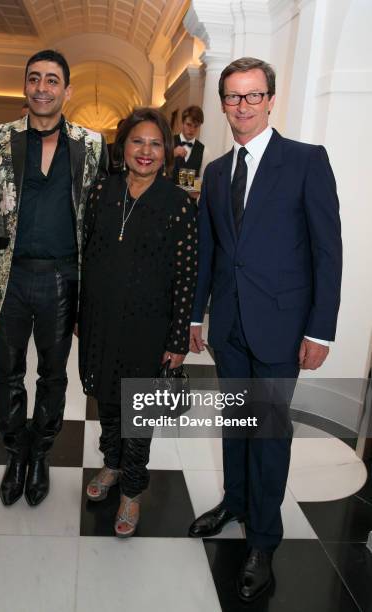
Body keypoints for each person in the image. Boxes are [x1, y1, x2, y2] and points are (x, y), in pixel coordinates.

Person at [188, 57, 342, 602]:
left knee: (270, 436)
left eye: (253, 96)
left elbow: (328, 250)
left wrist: (321, 330)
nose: (242, 106)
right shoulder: (214, 172)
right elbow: (210, 250)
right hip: (229, 325)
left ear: (271, 99)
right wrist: (195, 314)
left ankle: (264, 540)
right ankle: (234, 503)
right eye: (233, 96)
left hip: (282, 328)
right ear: (223, 103)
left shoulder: (305, 161)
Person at [0, 49, 107, 508]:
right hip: (11, 280)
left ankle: (41, 454)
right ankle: (15, 454)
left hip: (64, 281)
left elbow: (99, 226)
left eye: (52, 80)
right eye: (34, 79)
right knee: (7, 373)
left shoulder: (91, 144)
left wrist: (93, 300)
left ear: (66, 90)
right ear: (24, 87)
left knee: (53, 377)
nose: (42, 88)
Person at [78, 107, 197, 537]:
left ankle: (131, 489)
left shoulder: (179, 204)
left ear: (166, 151)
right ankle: (111, 462)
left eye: (155, 144)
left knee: (137, 413)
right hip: (101, 319)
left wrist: (178, 335)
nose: (145, 151)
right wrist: (80, 313)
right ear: (122, 146)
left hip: (150, 326)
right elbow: (86, 256)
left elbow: (187, 275)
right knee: (107, 400)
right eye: (137, 141)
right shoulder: (100, 193)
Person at [172, 105, 209, 184]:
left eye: (196, 126)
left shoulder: (204, 151)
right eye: (189, 124)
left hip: (188, 196)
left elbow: (204, 181)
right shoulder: (169, 142)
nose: (192, 129)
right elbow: (156, 168)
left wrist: (189, 185)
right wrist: (171, 154)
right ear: (182, 123)